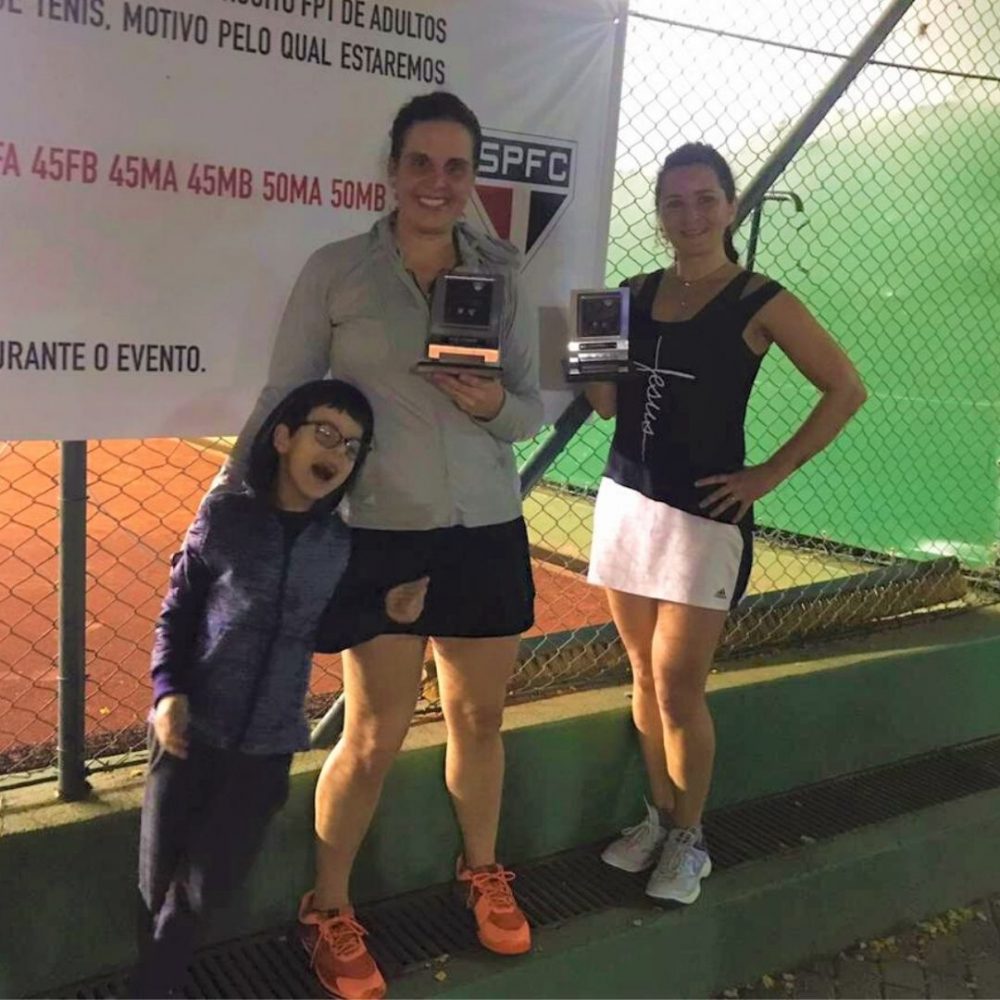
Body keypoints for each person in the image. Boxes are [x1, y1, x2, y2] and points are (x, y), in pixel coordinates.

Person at [219, 91, 542, 999]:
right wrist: (234, 506)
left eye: (455, 166)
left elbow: (528, 405)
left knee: (480, 721)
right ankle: (327, 907)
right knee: (372, 734)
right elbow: (285, 397)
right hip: (380, 538)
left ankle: (482, 869)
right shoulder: (337, 271)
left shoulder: (502, 273)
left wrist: (491, 404)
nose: (437, 182)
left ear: (472, 177)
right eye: (420, 163)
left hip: (486, 529)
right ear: (392, 170)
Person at [585, 142, 867, 905]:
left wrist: (768, 474)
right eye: (675, 203)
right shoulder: (630, 293)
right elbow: (606, 406)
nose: (691, 216)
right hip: (626, 503)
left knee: (679, 688)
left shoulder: (760, 299)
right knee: (642, 676)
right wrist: (582, 335)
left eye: (705, 200)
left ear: (731, 206)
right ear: (659, 215)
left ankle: (690, 838)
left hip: (705, 520)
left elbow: (845, 388)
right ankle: (658, 818)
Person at [130, 379, 428, 998]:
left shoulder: (336, 545)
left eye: (351, 446)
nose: (337, 453)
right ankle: (157, 980)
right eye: (326, 433)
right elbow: (178, 613)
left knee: (208, 884)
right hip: (188, 733)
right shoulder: (225, 519)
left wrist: (384, 612)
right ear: (284, 438)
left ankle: (154, 982)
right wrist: (167, 692)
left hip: (266, 749)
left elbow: (324, 629)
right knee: (157, 883)